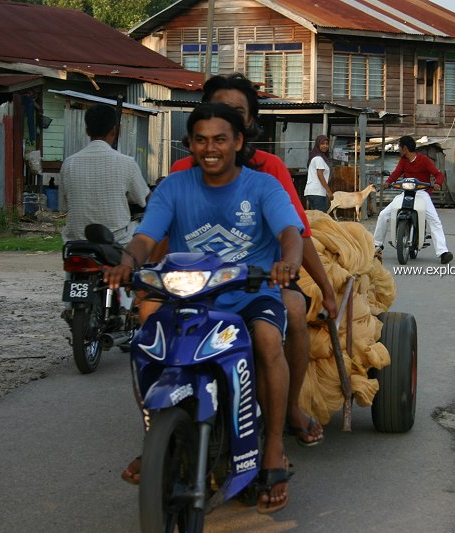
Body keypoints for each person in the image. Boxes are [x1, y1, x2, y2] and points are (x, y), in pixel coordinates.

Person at [105, 102, 302, 513]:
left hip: (251, 294)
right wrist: (128, 262)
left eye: (220, 139)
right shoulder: (174, 187)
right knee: (147, 330)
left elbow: (289, 231)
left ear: (238, 142)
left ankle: (274, 447)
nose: (210, 148)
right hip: (188, 297)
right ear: (190, 144)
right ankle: (158, 431)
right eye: (200, 139)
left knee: (267, 340)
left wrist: (288, 262)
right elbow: (146, 238)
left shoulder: (263, 187)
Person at [170, 73, 337, 448]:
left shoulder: (270, 169)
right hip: (199, 283)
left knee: (294, 312)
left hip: (261, 280)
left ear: (248, 124)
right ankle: (160, 428)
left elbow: (298, 234)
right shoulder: (182, 172)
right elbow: (164, 233)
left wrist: (326, 288)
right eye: (217, 110)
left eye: (236, 113)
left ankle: (289, 408)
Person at [59, 104, 149, 246]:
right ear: (115, 130)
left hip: (77, 243)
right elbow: (144, 199)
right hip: (117, 243)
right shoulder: (127, 163)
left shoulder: (69, 164)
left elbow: (63, 205)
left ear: (87, 131)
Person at [373, 135, 454, 264]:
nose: (398, 149)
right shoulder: (403, 161)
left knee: (434, 220)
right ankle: (377, 245)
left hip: (422, 193)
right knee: (383, 214)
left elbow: (438, 174)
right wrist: (387, 182)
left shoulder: (424, 160)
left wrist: (437, 183)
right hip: (406, 193)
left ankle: (443, 252)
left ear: (405, 148)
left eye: (399, 147)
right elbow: (396, 174)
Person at [303, 135, 333, 212]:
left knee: (317, 218)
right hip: (317, 192)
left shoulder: (317, 157)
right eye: (322, 144)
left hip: (312, 192)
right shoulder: (319, 158)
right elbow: (320, 175)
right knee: (321, 218)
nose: (325, 146)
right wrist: (329, 191)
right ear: (317, 144)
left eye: (327, 143)